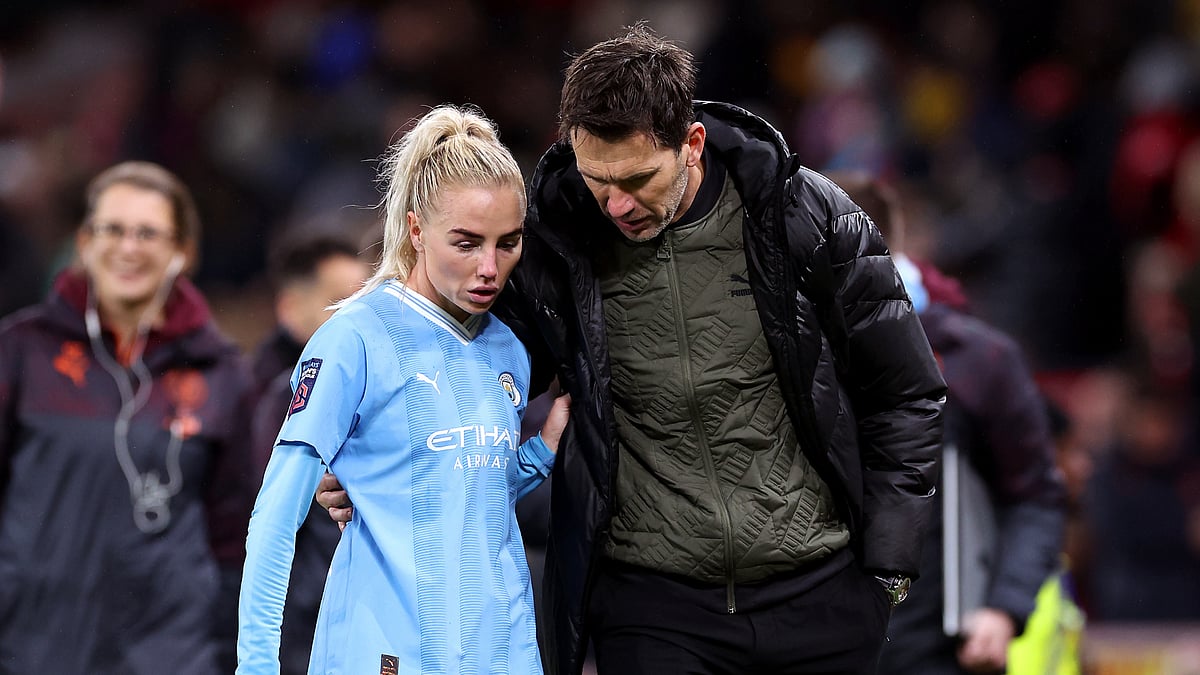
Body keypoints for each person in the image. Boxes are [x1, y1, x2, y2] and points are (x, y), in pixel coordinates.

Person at [321, 24, 947, 675]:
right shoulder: (557, 243)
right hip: (655, 611)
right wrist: (373, 447)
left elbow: (906, 390)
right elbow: (466, 370)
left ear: (692, 143)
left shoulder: (806, 216)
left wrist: (887, 569)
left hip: (822, 596)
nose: (617, 203)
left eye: (639, 178)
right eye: (598, 179)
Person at [236, 104, 572, 674]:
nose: (490, 268)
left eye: (508, 242)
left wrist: (540, 454)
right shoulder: (353, 339)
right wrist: (256, 667)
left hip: (503, 651)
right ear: (416, 230)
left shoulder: (508, 349)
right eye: (466, 242)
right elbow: (274, 518)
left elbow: (465, 494)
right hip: (386, 654)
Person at [0, 160, 253, 674]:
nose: (128, 248)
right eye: (112, 230)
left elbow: (237, 532)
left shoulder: (222, 373)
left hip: (170, 654)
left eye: (148, 233)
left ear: (183, 252)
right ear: (84, 243)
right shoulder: (21, 351)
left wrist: (224, 646)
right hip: (33, 646)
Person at [828, 171, 1066, 675]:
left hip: (939, 654)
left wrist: (1003, 608)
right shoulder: (787, 351)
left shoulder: (976, 359)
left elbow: (1034, 497)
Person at [246, 235, 370, 674]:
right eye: (338, 301)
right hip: (305, 628)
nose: (356, 313)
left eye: (364, 298)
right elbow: (270, 521)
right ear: (290, 309)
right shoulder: (276, 401)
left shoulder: (377, 384)